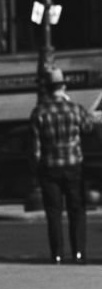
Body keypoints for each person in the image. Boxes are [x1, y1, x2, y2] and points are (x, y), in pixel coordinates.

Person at [30, 66, 101, 264]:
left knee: (54, 213)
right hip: (73, 166)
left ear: (47, 88)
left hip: (49, 168)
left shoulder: (39, 112)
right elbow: (88, 127)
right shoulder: (74, 109)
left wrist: (37, 170)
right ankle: (78, 253)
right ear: (63, 86)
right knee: (76, 211)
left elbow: (35, 149)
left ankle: (58, 255)